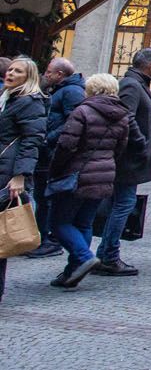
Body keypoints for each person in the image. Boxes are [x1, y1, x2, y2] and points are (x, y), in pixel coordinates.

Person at [46, 73, 144, 289]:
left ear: (90, 90)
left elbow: (65, 145)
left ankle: (83, 257)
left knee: (58, 222)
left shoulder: (82, 111)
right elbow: (122, 146)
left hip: (77, 174)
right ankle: (72, 272)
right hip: (105, 173)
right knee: (84, 222)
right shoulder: (122, 114)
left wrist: (55, 170)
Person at [96, 48, 151, 275]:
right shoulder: (132, 84)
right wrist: (141, 141)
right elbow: (125, 115)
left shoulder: (137, 83)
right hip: (128, 158)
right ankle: (109, 256)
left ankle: (105, 253)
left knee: (120, 204)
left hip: (130, 156)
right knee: (123, 204)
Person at [25, 57, 84, 258]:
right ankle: (43, 237)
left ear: (60, 74)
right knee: (42, 197)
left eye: (49, 72)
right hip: (48, 151)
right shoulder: (61, 90)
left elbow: (72, 121)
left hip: (53, 152)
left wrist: (47, 139)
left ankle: (48, 240)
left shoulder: (71, 92)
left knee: (46, 198)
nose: (45, 75)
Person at [0, 57, 46, 303]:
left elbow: (32, 141)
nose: (11, 73)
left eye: (17, 71)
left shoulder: (29, 102)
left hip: (9, 174)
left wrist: (20, 175)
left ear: (28, 77)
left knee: (1, 235)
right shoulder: (9, 98)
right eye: (10, 69)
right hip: (3, 168)